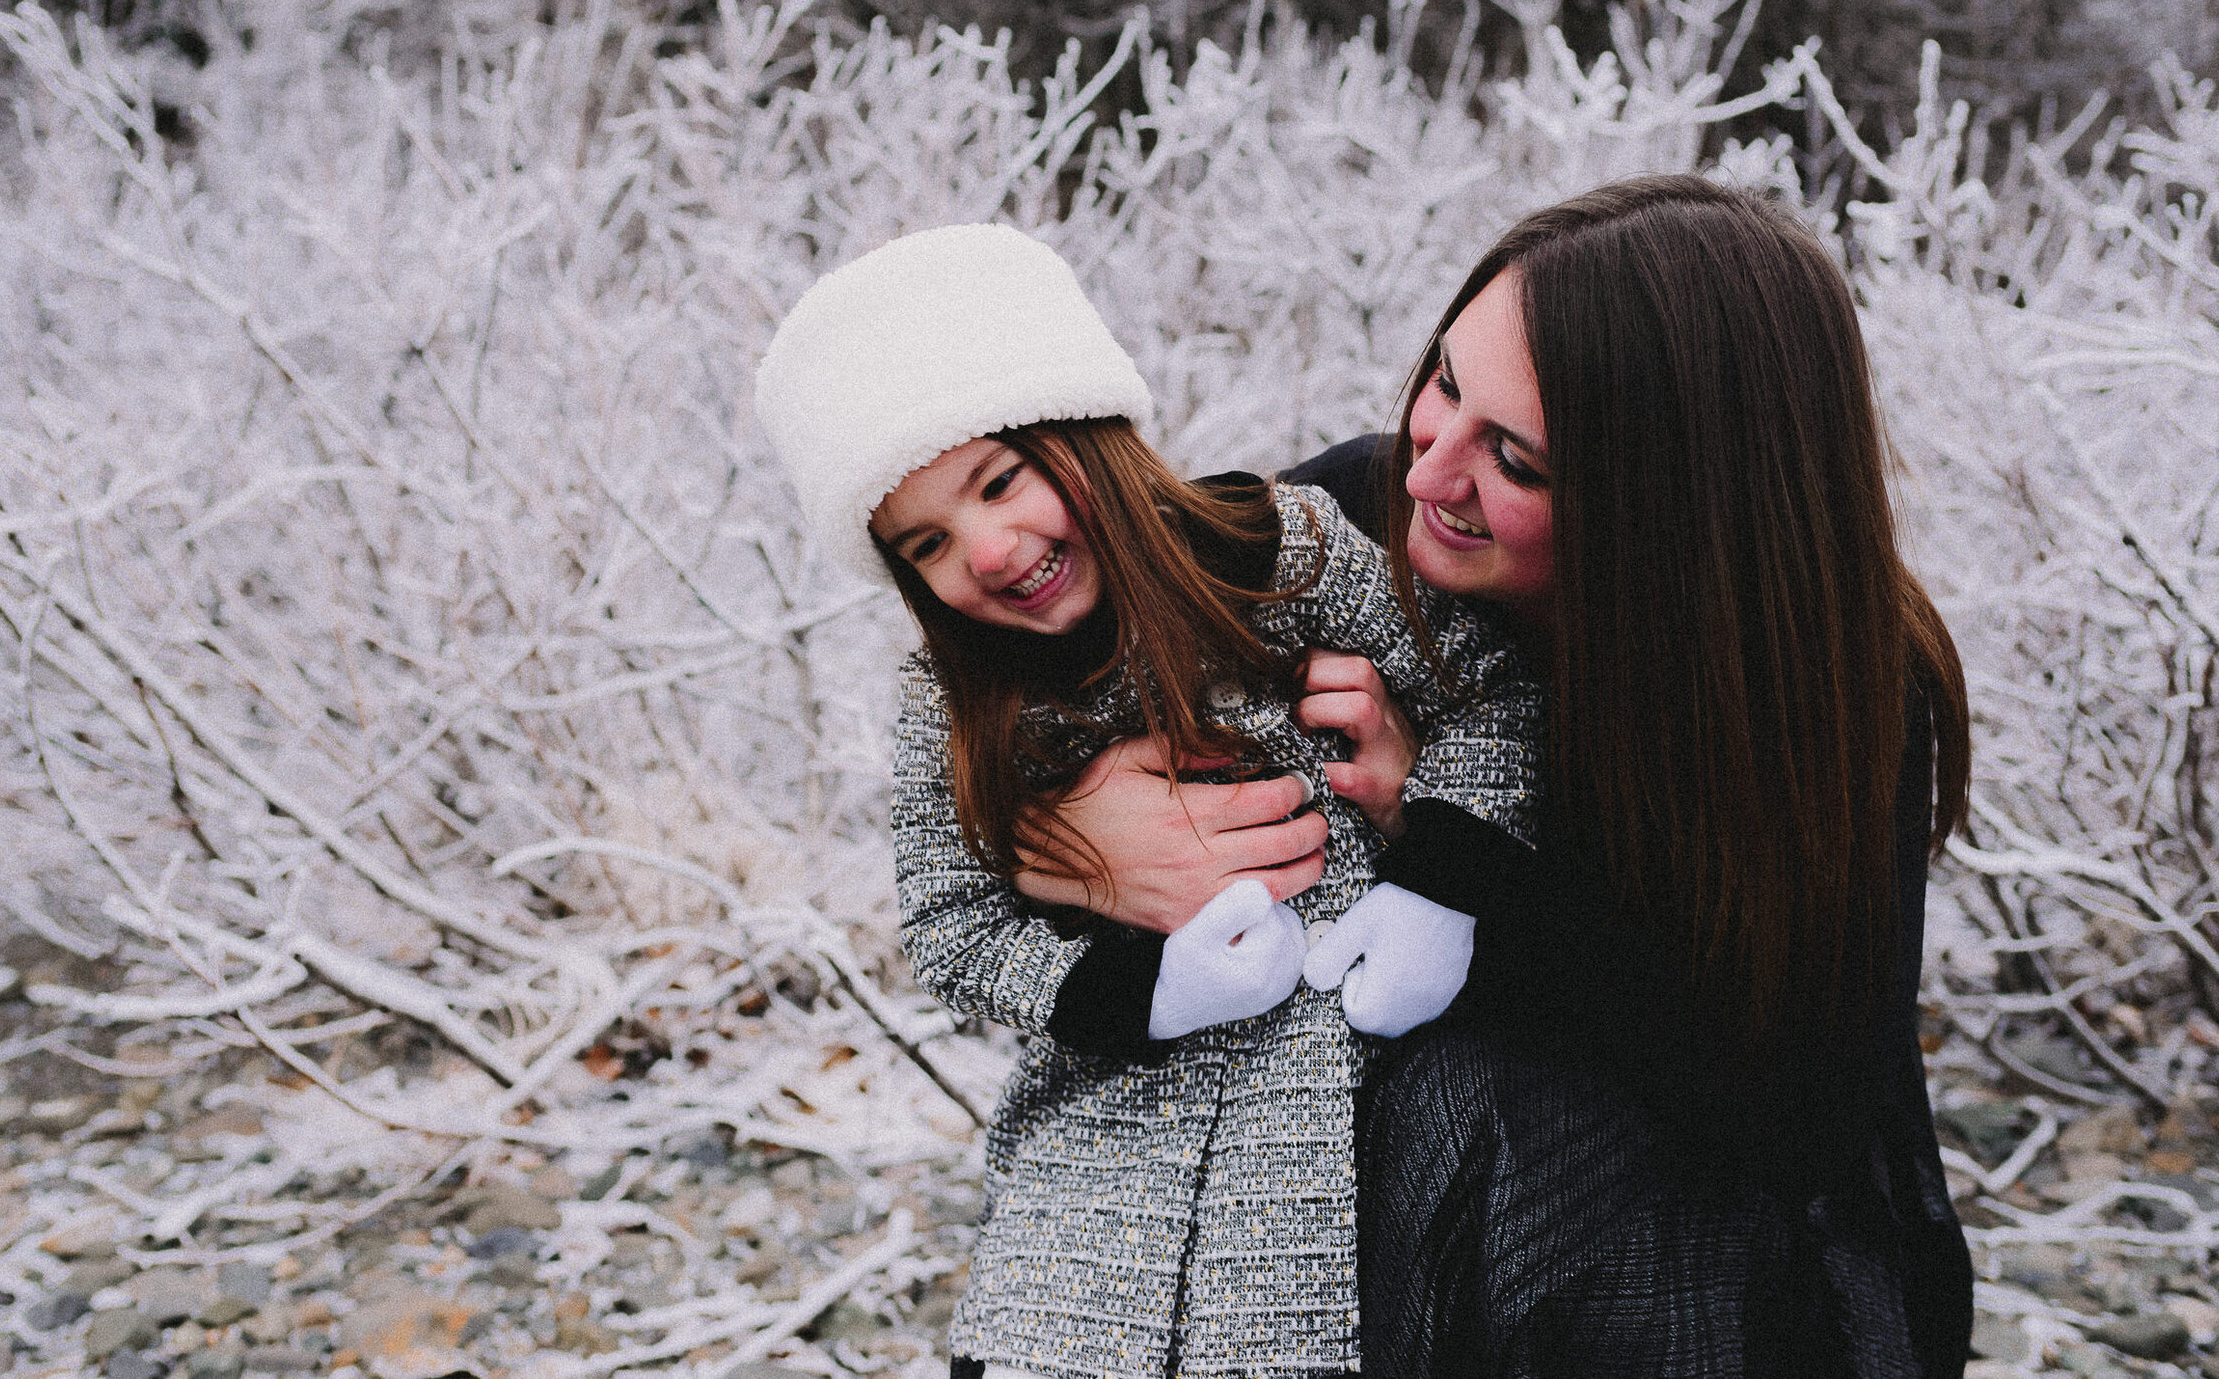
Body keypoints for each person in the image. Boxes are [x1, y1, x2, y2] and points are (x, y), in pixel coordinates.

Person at [1022, 177, 1976, 1377]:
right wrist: (1076, 820)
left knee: (1467, 1102)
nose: (1432, 472)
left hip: (1716, 1244)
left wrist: (1449, 831)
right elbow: (1042, 662)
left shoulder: (1837, 675)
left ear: (1666, 510)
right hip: (1384, 1170)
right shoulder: (1356, 515)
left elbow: (1786, 1103)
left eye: (1514, 460)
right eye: (1445, 384)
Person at [753, 223, 1538, 1379]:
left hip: (1338, 1120)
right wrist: (1139, 988)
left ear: (1085, 431)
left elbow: (1493, 692)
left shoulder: (1276, 551)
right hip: (1096, 1154)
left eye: (1000, 480)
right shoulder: (955, 702)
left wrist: (1435, 893)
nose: (988, 547)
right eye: (926, 541)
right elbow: (949, 927)